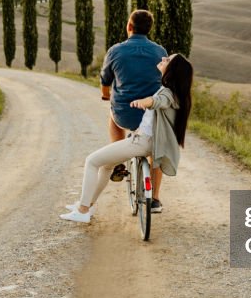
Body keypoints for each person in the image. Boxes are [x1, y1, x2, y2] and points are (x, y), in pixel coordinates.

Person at [61, 54, 193, 223]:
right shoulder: (174, 93)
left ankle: (83, 210)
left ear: (172, 70)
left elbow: (157, 101)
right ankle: (88, 204)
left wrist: (144, 102)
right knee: (107, 165)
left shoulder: (167, 94)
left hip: (142, 143)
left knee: (91, 161)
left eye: (168, 60)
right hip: (145, 141)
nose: (163, 58)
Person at [99, 9, 168, 209]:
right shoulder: (159, 51)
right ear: (150, 29)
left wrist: (106, 95)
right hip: (151, 114)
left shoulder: (115, 50)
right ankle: (154, 198)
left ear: (129, 26)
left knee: (113, 117)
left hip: (125, 114)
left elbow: (105, 80)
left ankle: (119, 160)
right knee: (155, 148)